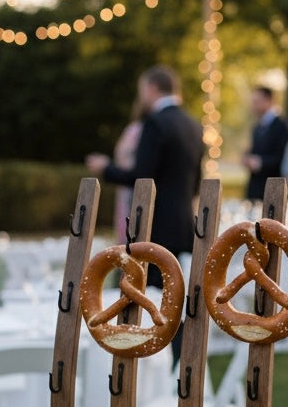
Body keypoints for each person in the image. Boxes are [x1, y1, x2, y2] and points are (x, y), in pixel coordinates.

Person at [86, 65, 203, 361]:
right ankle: (176, 359)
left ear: (152, 88)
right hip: (183, 223)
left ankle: (152, 361)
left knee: (146, 297)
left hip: (155, 224)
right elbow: (196, 182)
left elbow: (142, 177)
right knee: (174, 297)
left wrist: (106, 169)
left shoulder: (155, 123)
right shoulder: (193, 124)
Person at [242, 85, 288, 201]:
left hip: (273, 189)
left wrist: (260, 163)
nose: (253, 106)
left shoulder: (282, 126)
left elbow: (284, 157)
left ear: (268, 100)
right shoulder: (257, 127)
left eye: (256, 102)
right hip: (255, 189)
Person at [111, 100, 144, 243]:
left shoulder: (135, 130)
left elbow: (121, 158)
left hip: (130, 187)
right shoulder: (136, 130)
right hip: (130, 189)